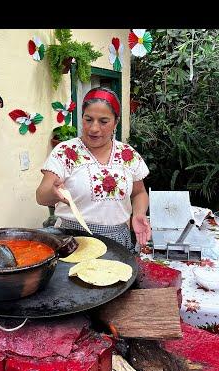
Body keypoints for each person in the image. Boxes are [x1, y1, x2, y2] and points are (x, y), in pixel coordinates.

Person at [35, 86, 151, 251]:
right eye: (88, 119)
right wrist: (53, 194)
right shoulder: (66, 152)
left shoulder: (127, 155)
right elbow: (41, 196)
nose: (94, 128)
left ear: (115, 122)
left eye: (103, 121)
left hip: (116, 242)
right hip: (71, 240)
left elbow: (139, 193)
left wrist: (139, 214)